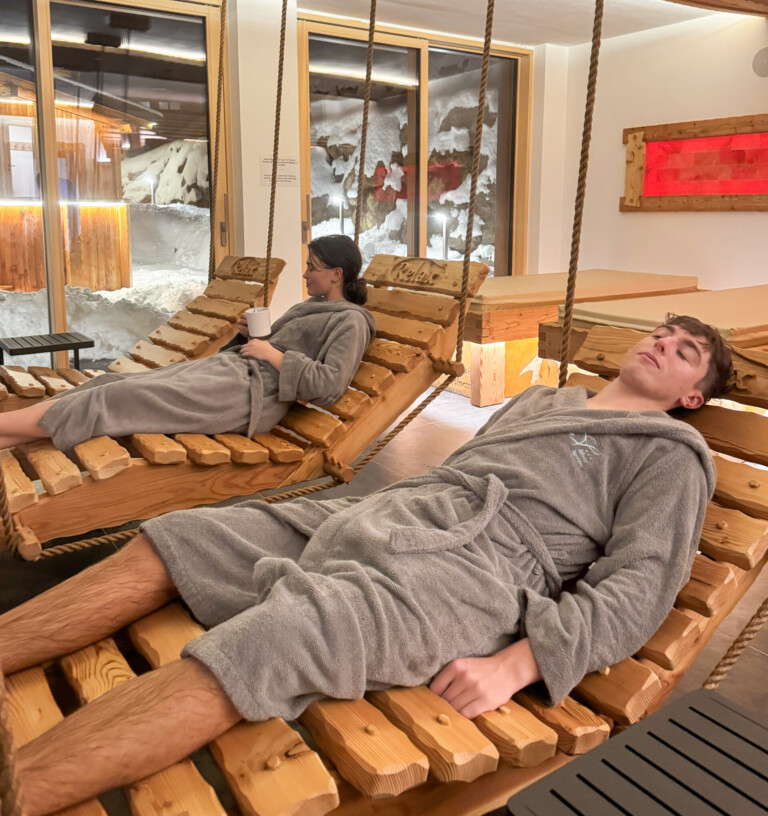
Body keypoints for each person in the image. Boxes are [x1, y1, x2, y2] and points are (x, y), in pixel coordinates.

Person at [0, 315, 732, 816]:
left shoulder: (669, 455)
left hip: (479, 570)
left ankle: (17, 790)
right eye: (663, 334)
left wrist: (521, 662)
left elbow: (639, 589)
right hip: (401, 510)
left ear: (693, 396)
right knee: (177, 537)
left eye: (685, 352)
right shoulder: (546, 398)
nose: (664, 345)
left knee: (276, 639)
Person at [0, 235, 375, 455]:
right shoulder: (309, 307)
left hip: (248, 396)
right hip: (229, 373)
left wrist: (271, 353)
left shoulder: (351, 321)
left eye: (312, 267)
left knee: (115, 400)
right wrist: (251, 337)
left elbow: (328, 384)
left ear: (336, 274)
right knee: (110, 383)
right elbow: (269, 349)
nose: (306, 273)